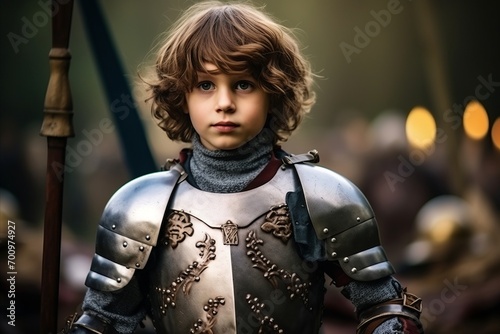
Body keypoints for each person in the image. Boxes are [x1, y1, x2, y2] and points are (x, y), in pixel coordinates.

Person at [64, 1, 423, 333]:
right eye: (205, 84)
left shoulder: (320, 197)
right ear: (181, 95)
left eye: (244, 84)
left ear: (273, 91)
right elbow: (104, 320)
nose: (224, 103)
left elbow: (383, 307)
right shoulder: (140, 207)